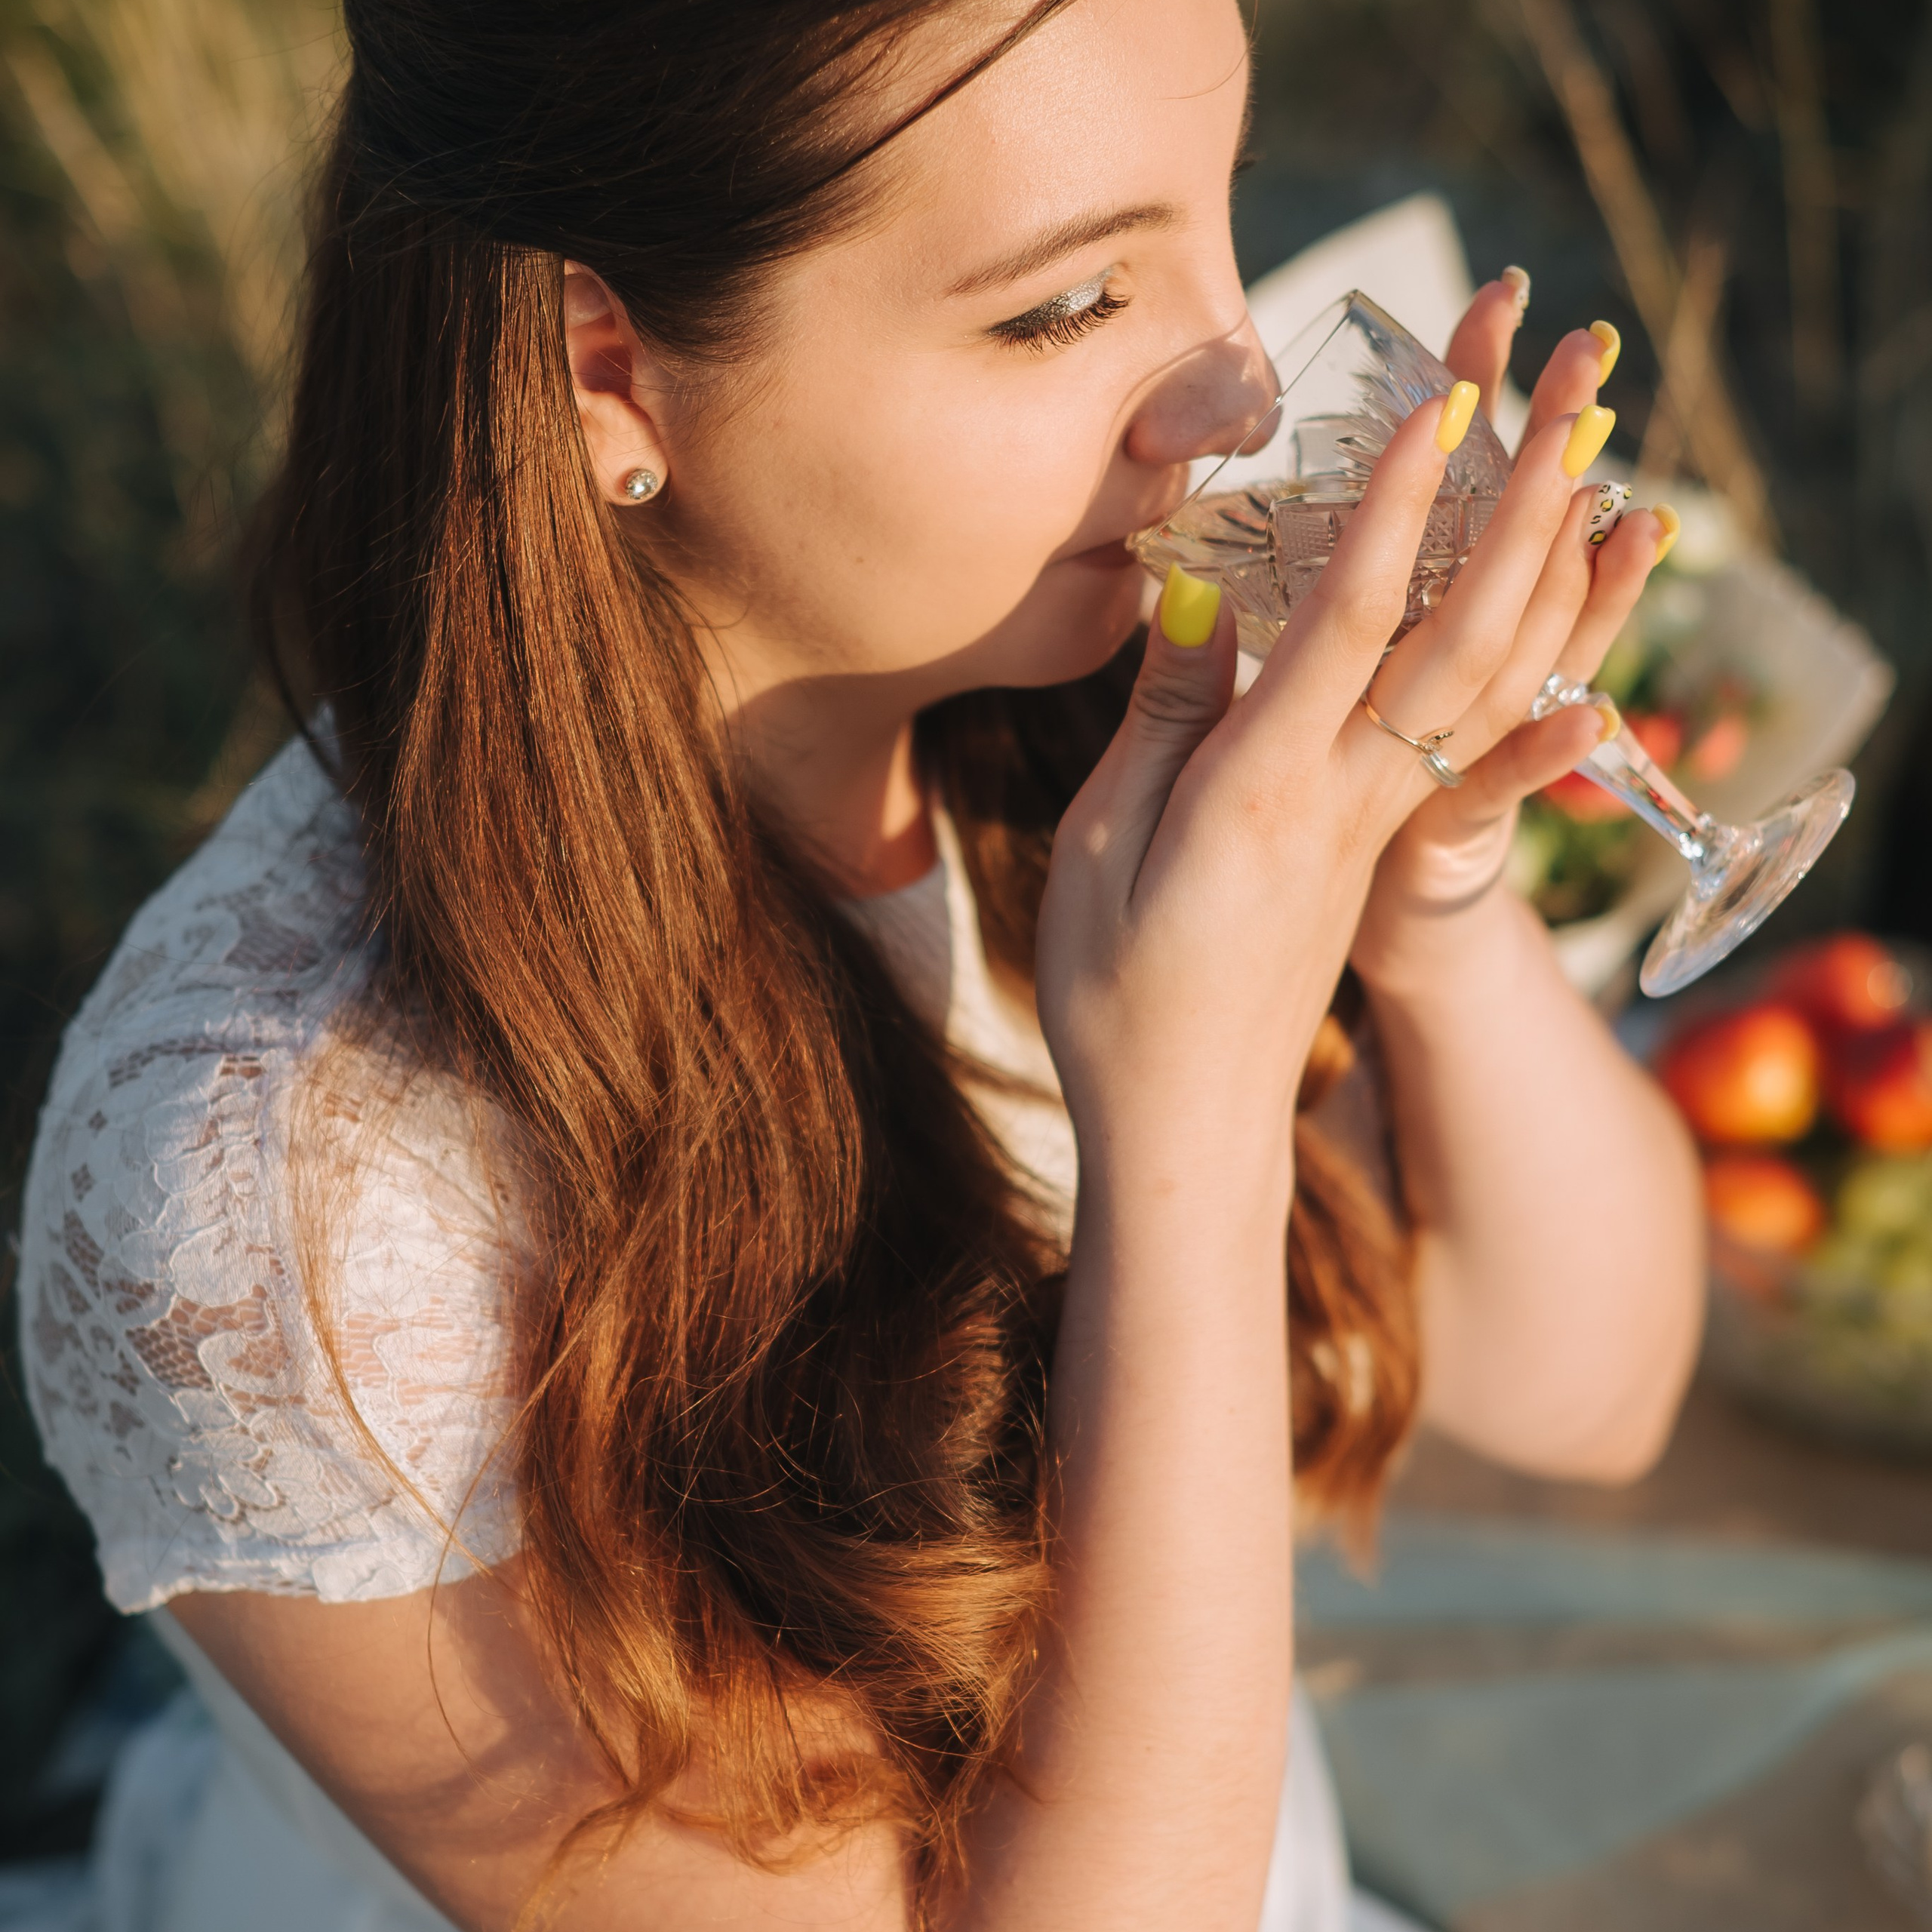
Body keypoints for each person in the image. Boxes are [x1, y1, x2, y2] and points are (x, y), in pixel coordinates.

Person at [14, 1, 1703, 1927]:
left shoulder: (1077, 700)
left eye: (1222, 223)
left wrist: (1435, 889)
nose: (1238, 399)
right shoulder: (280, 1197)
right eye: (1064, 311)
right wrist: (1187, 1121)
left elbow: (1582, 1391)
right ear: (605, 376)